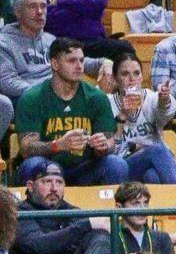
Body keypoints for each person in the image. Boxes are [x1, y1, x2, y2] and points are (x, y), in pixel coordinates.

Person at [16, 36, 124, 185]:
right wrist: (58, 145)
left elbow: (110, 140)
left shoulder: (97, 97)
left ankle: (109, 208)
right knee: (32, 165)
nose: (79, 66)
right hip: (48, 168)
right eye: (72, 61)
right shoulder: (32, 98)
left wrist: (102, 146)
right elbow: (27, 149)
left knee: (116, 163)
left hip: (85, 168)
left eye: (81, 60)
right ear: (54, 64)